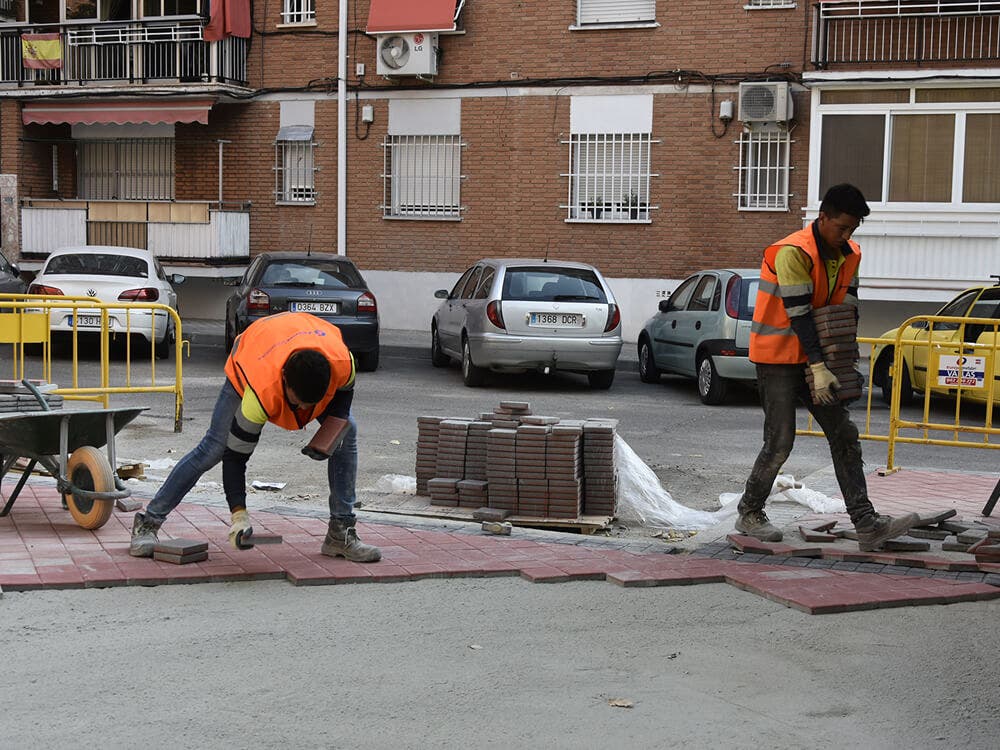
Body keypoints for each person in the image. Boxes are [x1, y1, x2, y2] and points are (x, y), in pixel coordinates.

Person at [736, 183, 919, 551]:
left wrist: (842, 364)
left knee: (844, 434)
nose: (847, 236)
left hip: (817, 357)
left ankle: (866, 522)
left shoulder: (849, 253)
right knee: (780, 441)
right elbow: (800, 314)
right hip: (777, 357)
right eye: (841, 228)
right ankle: (750, 512)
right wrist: (819, 367)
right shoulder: (792, 252)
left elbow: (845, 309)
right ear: (823, 218)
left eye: (853, 229)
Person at [129, 311, 381, 562]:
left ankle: (340, 532)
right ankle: (148, 522)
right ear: (285, 382)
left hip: (305, 335)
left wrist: (330, 433)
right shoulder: (260, 392)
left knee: (347, 430)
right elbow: (235, 458)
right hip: (254, 352)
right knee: (214, 448)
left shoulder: (342, 362)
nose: (304, 411)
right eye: (299, 403)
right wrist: (239, 515)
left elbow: (344, 395)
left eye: (311, 404)